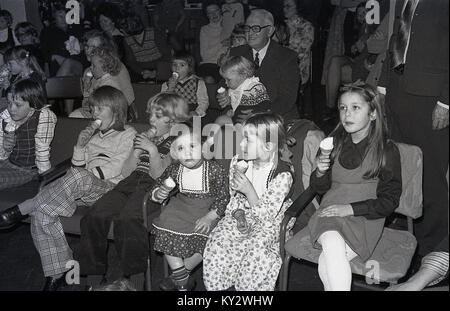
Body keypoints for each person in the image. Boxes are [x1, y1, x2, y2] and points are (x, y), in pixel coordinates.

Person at [0, 86, 136, 291]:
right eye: (93, 109)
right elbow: (77, 166)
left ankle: (24, 207)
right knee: (42, 213)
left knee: (77, 177)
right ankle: (58, 273)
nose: (94, 114)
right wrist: (80, 146)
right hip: (81, 187)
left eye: (100, 109)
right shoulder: (94, 136)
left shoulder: (128, 134)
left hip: (108, 189)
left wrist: (86, 172)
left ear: (116, 111)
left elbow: (118, 166)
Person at [75, 92, 190, 290]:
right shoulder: (149, 137)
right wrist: (137, 150)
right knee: (94, 216)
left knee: (128, 219)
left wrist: (152, 150)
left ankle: (135, 279)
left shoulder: (180, 140)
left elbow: (158, 175)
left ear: (173, 120)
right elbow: (126, 171)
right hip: (130, 182)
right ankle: (93, 278)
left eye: (156, 116)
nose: (150, 120)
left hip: (155, 187)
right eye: (150, 114)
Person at [307, 83, 402, 291]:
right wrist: (321, 172)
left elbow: (389, 201)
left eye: (355, 108)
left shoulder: (386, 150)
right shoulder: (334, 143)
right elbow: (320, 188)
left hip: (366, 218)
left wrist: (350, 209)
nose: (347, 114)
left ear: (373, 114)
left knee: (329, 257)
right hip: (330, 212)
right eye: (342, 108)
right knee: (332, 243)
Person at [382, 0, 449, 259]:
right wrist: (383, 86)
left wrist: (445, 101)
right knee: (401, 166)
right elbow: (398, 41)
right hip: (398, 93)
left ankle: (434, 248)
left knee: (429, 174)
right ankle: (407, 227)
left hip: (430, 98)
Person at [203, 112, 294, 291]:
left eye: (247, 140)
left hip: (270, 220)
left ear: (268, 146)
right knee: (219, 241)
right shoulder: (239, 161)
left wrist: (249, 189)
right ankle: (218, 286)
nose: (241, 144)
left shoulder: (282, 175)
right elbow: (234, 197)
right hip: (243, 212)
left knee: (257, 251)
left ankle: (249, 288)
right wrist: (238, 214)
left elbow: (267, 217)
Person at [151, 124, 230, 291]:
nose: (187, 152)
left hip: (209, 207)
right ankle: (182, 279)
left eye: (192, 146)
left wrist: (211, 216)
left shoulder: (215, 170)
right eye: (181, 148)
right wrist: (158, 193)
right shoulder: (174, 169)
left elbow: (224, 196)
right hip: (182, 205)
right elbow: (159, 184)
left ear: (202, 149)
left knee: (210, 236)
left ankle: (180, 275)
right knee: (165, 223)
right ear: (175, 154)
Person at [221, 9, 300, 121]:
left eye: (256, 28)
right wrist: (223, 95)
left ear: (269, 31)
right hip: (238, 116)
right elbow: (222, 84)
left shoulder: (286, 57)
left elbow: (287, 99)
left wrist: (259, 115)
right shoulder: (236, 53)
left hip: (274, 118)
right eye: (247, 28)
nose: (250, 33)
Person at [0, 79, 56, 190]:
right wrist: (5, 147)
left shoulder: (43, 115)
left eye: (18, 105)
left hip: (28, 170)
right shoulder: (5, 116)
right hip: (7, 163)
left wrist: (46, 180)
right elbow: (2, 156)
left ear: (33, 103)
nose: (12, 109)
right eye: (9, 103)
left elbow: (42, 151)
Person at [39, 2, 84, 115]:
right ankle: (69, 113)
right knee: (67, 74)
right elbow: (44, 53)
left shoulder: (77, 28)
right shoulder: (48, 32)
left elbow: (85, 48)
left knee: (68, 63)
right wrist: (54, 56)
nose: (64, 19)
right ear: (54, 17)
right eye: (60, 16)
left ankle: (49, 100)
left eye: (66, 15)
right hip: (60, 70)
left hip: (78, 65)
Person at [69, 45, 134, 119]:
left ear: (105, 68)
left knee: (73, 116)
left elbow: (105, 107)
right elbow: (88, 100)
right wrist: (86, 88)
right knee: (73, 115)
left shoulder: (109, 84)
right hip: (98, 112)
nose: (90, 67)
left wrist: (90, 107)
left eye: (94, 66)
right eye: (91, 64)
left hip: (109, 117)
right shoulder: (99, 79)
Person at [216, 55, 270, 125]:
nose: (226, 83)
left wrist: (254, 113)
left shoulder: (254, 87)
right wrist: (230, 109)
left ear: (243, 75)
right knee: (220, 119)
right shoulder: (233, 89)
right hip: (238, 122)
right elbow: (234, 103)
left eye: (228, 80)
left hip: (254, 122)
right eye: (225, 79)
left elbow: (266, 105)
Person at [282, 0, 314, 118]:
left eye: (289, 6)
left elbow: (302, 52)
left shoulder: (307, 27)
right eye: (284, 6)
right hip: (280, 64)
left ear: (297, 8)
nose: (285, 9)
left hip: (298, 67)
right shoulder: (280, 25)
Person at [161, 51, 209, 117]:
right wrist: (170, 89)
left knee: (195, 123)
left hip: (192, 112)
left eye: (182, 65)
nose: (177, 68)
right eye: (174, 65)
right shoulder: (166, 85)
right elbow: (163, 104)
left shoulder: (198, 83)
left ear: (189, 68)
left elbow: (204, 102)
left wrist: (197, 112)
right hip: (174, 113)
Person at [122, 14, 164, 82]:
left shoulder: (154, 33)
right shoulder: (127, 40)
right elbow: (130, 61)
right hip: (140, 71)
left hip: (159, 68)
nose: (122, 32)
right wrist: (142, 72)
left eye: (124, 30)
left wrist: (155, 72)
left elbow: (167, 55)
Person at [198, 2, 228, 84]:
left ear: (221, 11)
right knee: (207, 79)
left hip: (227, 64)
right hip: (209, 64)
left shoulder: (229, 26)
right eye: (210, 12)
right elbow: (204, 55)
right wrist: (222, 43)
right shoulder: (204, 29)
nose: (213, 14)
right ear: (207, 15)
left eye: (216, 10)